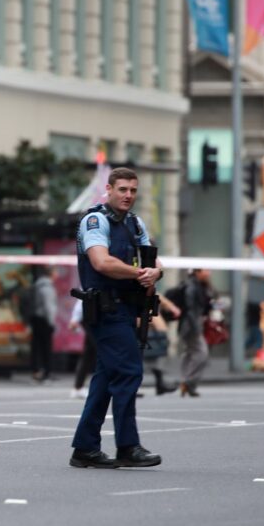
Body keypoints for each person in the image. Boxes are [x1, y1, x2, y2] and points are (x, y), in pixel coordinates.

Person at [70, 167, 163, 469]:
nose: (128, 196)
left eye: (133, 190)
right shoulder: (95, 221)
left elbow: (153, 258)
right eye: (123, 189)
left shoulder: (135, 224)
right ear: (108, 190)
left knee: (106, 378)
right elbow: (102, 262)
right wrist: (140, 273)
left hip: (125, 309)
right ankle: (128, 446)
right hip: (106, 309)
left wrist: (156, 271)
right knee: (128, 372)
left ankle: (85, 449)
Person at [178, 268, 215, 397]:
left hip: (193, 324)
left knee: (190, 353)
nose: (209, 273)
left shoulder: (201, 286)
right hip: (191, 326)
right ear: (197, 272)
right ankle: (188, 381)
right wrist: (196, 328)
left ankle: (188, 383)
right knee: (201, 353)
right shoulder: (192, 287)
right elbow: (190, 310)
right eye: (206, 270)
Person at [29, 265, 57, 383]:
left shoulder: (37, 285)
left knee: (37, 346)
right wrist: (51, 322)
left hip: (36, 318)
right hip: (44, 320)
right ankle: (46, 371)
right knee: (46, 347)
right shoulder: (46, 287)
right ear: (51, 273)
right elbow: (48, 306)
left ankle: (37, 370)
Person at [68, 299, 95, 399]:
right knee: (99, 351)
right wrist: (75, 319)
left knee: (89, 353)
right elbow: (83, 298)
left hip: (93, 315)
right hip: (91, 316)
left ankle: (78, 387)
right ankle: (78, 387)